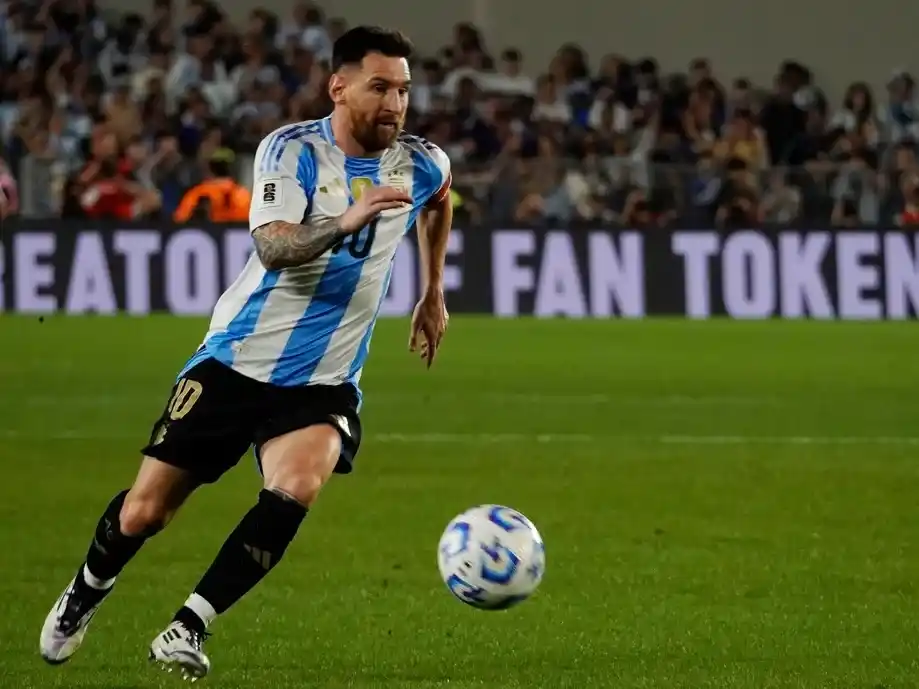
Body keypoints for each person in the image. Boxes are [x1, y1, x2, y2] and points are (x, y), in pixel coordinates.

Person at [40, 25, 453, 680]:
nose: (395, 104)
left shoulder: (421, 162)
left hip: (324, 379)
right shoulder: (292, 151)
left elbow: (438, 201)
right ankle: (86, 590)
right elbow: (274, 246)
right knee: (146, 511)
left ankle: (189, 624)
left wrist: (432, 290)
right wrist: (345, 220)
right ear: (338, 87)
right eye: (379, 88)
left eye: (403, 90)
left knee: (296, 487)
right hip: (237, 361)